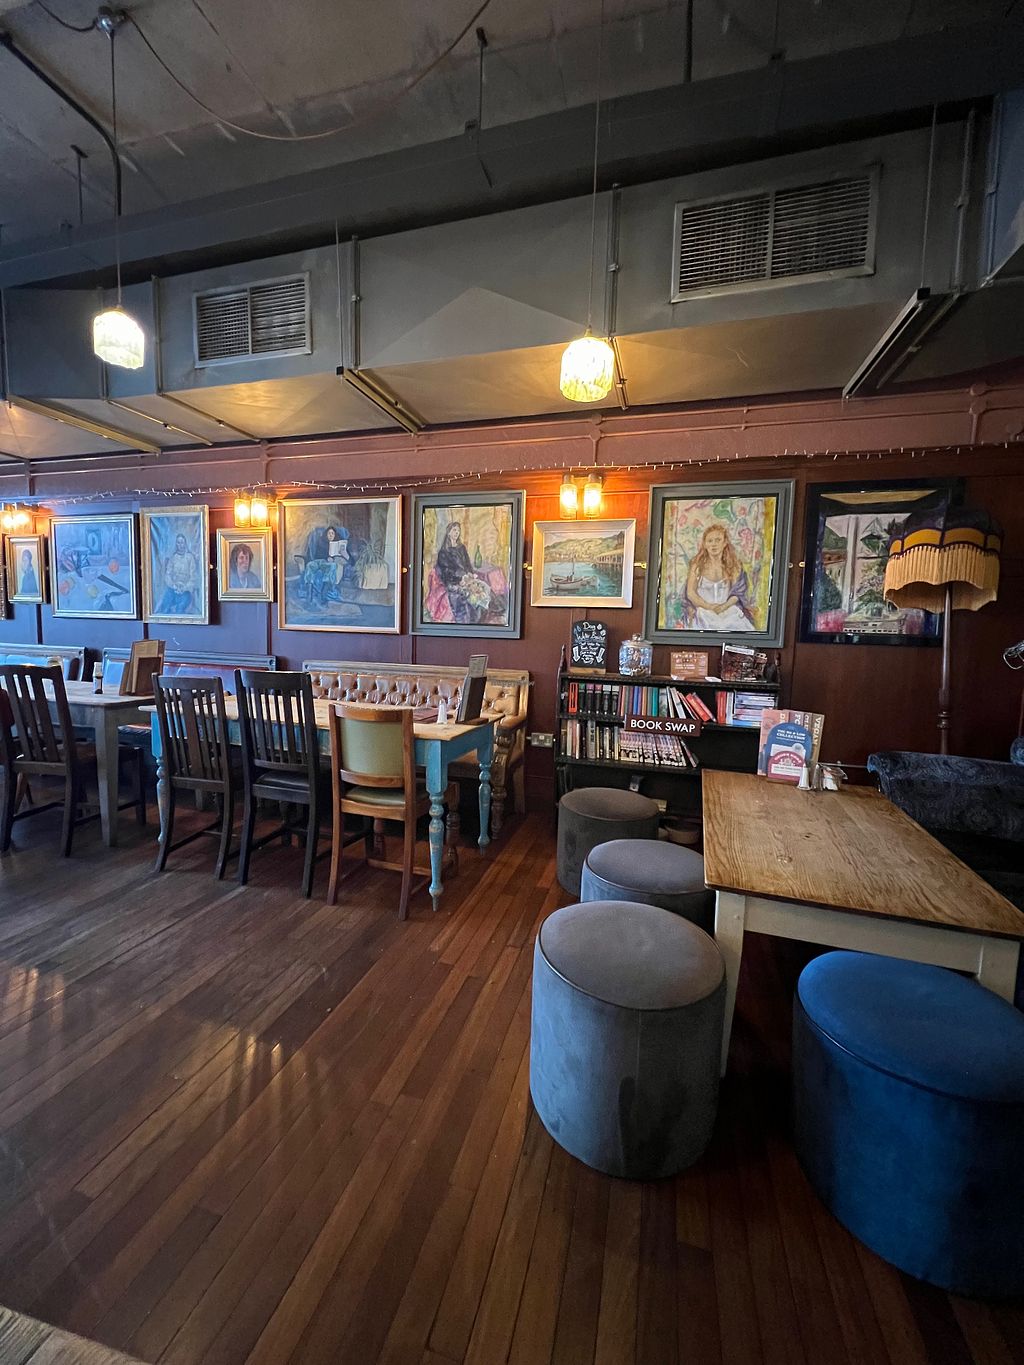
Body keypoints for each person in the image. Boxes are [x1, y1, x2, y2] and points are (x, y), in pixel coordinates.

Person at [684, 523, 755, 630]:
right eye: (710, 541)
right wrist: (709, 606)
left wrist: (723, 607)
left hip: (728, 611)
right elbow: (691, 593)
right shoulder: (697, 566)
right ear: (704, 544)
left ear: (725, 542)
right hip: (704, 612)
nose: (714, 544)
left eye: (718, 540)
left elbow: (737, 593)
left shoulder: (733, 565)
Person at [157, 532, 199, 615]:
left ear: (185, 543)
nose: (180, 545)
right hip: (173, 589)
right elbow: (167, 575)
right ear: (176, 544)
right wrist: (173, 585)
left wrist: (185, 587)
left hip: (186, 591)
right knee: (165, 608)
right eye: (178, 543)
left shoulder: (190, 558)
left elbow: (193, 577)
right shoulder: (173, 558)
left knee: (180, 609)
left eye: (182, 542)